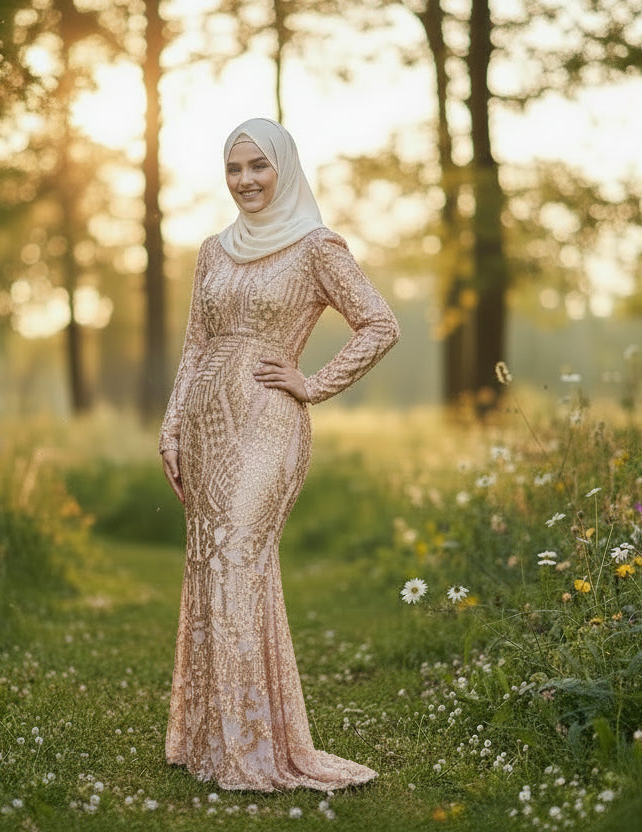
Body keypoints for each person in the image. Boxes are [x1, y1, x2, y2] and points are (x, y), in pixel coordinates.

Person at [158, 117, 399, 791]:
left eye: (258, 166)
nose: (245, 180)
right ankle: (212, 739)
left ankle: (254, 749)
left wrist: (313, 383)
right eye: (234, 168)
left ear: (284, 168)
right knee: (210, 567)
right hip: (205, 427)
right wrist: (171, 427)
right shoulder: (213, 251)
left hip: (268, 426)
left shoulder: (317, 246)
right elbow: (195, 347)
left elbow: (380, 324)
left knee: (238, 560)